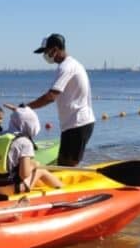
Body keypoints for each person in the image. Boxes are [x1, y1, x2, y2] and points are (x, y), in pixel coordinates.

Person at [22, 33, 95, 166]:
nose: (45, 56)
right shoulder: (69, 64)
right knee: (62, 165)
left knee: (69, 167)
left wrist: (26, 108)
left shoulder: (66, 67)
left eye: (46, 52)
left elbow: (51, 96)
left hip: (79, 124)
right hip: (71, 125)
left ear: (55, 49)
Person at [0, 106, 63, 195]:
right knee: (40, 170)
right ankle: (62, 189)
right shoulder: (24, 142)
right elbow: (24, 174)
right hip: (9, 189)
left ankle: (42, 185)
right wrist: (34, 165)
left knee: (30, 166)